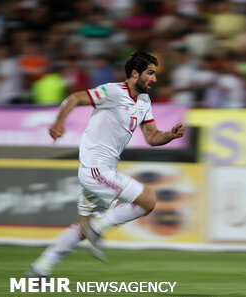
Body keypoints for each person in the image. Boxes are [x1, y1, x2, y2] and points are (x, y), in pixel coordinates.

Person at [27, 51, 185, 277]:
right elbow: (75, 98)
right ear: (134, 73)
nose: (154, 79)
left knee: (82, 228)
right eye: (150, 73)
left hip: (103, 171)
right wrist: (59, 122)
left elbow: (152, 137)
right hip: (95, 169)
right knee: (147, 200)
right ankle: (99, 228)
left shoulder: (143, 101)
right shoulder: (112, 91)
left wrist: (170, 135)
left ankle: (41, 267)